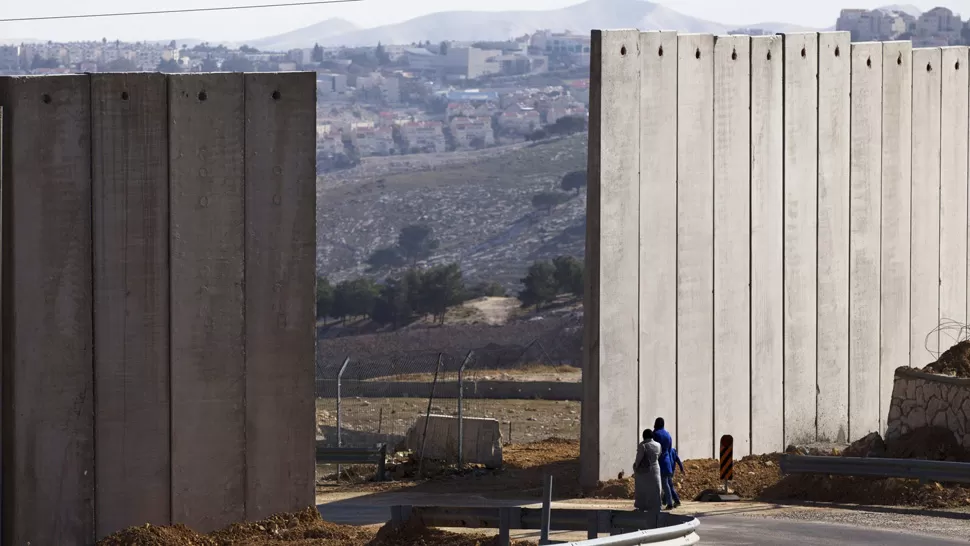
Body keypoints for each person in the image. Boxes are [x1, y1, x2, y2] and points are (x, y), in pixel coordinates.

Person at [632, 428, 662, 513]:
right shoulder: (658, 445)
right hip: (656, 469)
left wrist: (635, 467)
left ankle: (642, 507)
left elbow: (639, 459)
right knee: (655, 489)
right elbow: (658, 455)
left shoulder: (643, 445)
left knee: (643, 489)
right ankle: (657, 507)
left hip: (644, 472)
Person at [651, 417, 678, 509]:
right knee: (666, 483)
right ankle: (669, 502)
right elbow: (670, 449)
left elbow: (653, 448)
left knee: (659, 484)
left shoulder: (655, 434)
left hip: (658, 461)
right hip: (667, 461)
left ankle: (664, 503)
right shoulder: (667, 435)